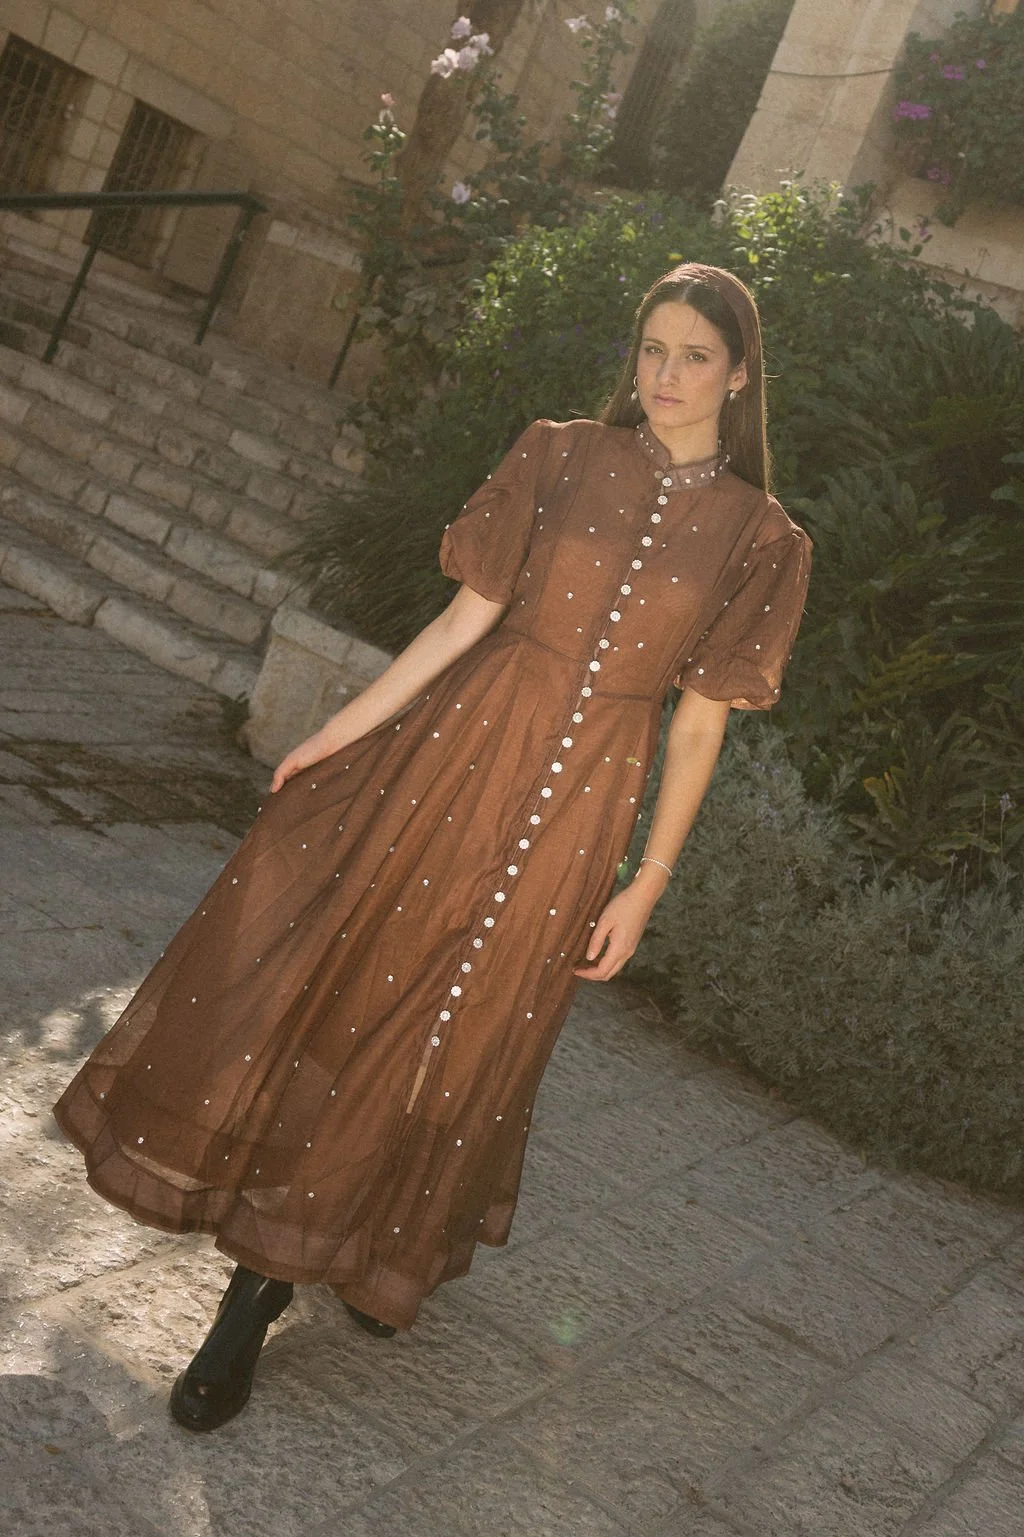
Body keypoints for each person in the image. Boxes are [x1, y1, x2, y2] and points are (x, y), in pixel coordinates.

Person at [53, 262, 811, 1432]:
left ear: (740, 372)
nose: (664, 375)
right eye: (651, 347)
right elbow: (463, 620)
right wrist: (335, 733)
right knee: (367, 999)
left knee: (466, 1035)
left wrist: (646, 881)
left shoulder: (761, 539)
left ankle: (374, 1243)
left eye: (693, 355)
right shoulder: (557, 454)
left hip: (584, 811)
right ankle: (256, 1292)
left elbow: (699, 723)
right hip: (454, 765)